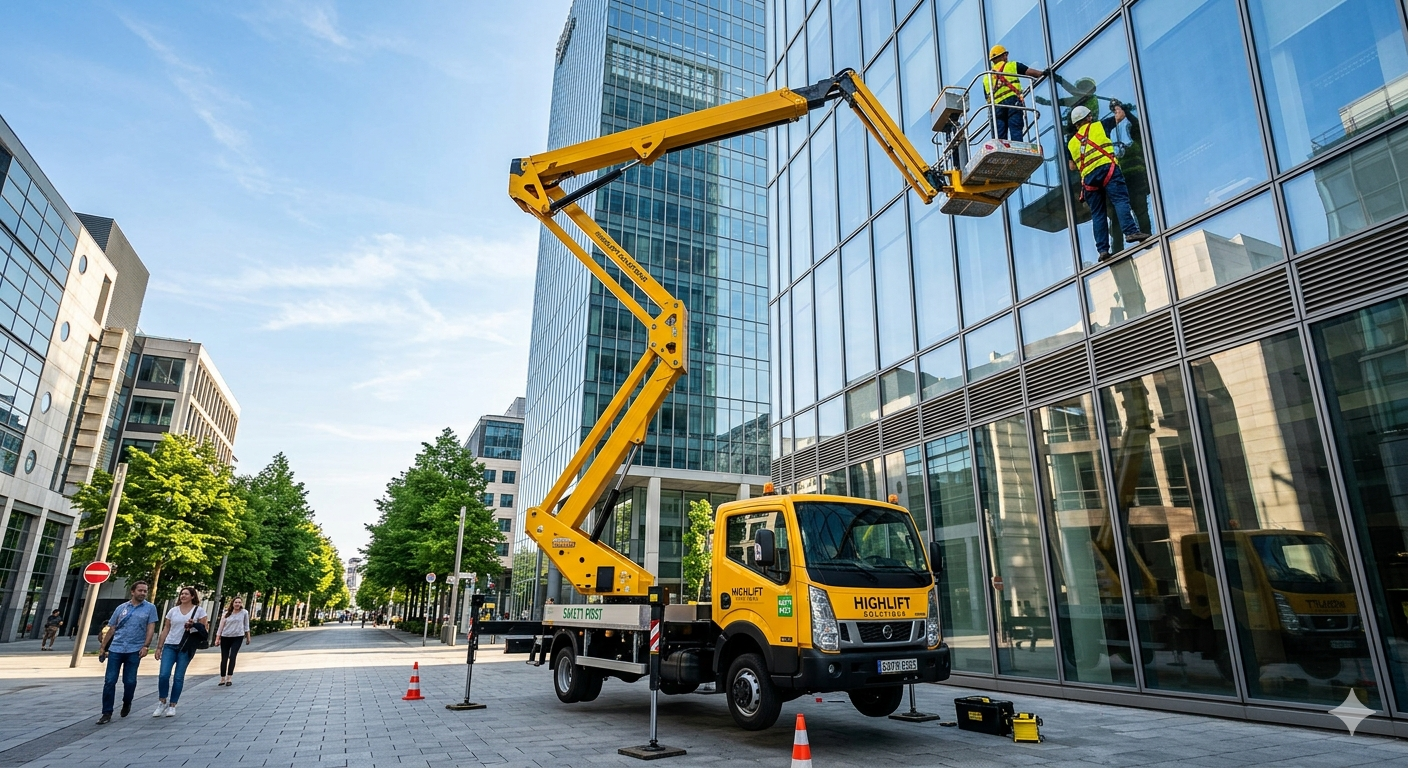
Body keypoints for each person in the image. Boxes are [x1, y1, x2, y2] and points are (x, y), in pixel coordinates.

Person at [1067, 103, 1149, 259]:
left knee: (1098, 214)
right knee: (1120, 200)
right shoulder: (1100, 126)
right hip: (1107, 170)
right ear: (1089, 117)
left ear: (1075, 123)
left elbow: (1071, 166)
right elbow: (1120, 116)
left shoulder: (1071, 143)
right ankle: (1131, 232)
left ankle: (1102, 250)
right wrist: (1117, 106)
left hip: (1089, 179)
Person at [96, 580, 158, 725]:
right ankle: (106, 712)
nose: (143, 593)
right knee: (110, 681)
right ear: (132, 591)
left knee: (129, 681)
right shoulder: (121, 608)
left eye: (145, 591)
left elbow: (150, 628)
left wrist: (146, 646)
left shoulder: (150, 608)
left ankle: (127, 701)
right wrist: (103, 647)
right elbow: (112, 628)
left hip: (134, 649)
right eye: (140, 590)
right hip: (116, 648)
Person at [152, 587, 209, 718]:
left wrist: (193, 625)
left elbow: (204, 630)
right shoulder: (173, 611)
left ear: (192, 596)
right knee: (163, 675)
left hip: (186, 646)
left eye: (186, 594)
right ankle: (162, 701)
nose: (183, 596)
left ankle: (172, 705)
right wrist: (159, 647)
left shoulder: (199, 611)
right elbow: (166, 628)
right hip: (170, 645)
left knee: (178, 677)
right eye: (181, 594)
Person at [984, 45, 1045, 142]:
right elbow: (1030, 72)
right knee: (1015, 128)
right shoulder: (1012, 65)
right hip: (1013, 102)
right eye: (1006, 55)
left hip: (996, 107)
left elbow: (987, 98)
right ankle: (1017, 147)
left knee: (999, 136)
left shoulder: (986, 77)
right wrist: (1043, 73)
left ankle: (1002, 151)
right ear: (1004, 56)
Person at [214, 597, 251, 687]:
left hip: (238, 637)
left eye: (239, 602)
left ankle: (229, 678)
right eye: (236, 602)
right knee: (224, 658)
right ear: (232, 603)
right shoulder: (226, 614)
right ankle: (222, 678)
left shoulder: (244, 613)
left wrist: (248, 637)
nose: (237, 604)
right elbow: (221, 627)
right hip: (225, 637)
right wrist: (217, 638)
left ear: (241, 604)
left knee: (233, 656)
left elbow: (246, 625)